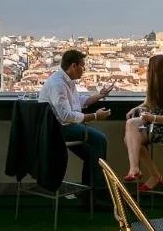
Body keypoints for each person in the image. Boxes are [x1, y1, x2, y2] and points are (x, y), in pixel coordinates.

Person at [35, 49, 111, 207]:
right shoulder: (58, 84)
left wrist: (99, 95)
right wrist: (95, 117)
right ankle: (98, 193)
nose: (84, 70)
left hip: (62, 127)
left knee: (92, 153)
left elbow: (78, 102)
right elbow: (66, 116)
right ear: (73, 65)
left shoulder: (65, 81)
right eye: (82, 66)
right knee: (100, 139)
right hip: (59, 129)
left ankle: (90, 196)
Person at [123, 54, 163, 191]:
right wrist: (138, 108)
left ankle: (138, 170)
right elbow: (150, 105)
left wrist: (153, 118)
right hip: (153, 127)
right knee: (131, 137)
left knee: (130, 134)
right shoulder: (155, 85)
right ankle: (147, 173)